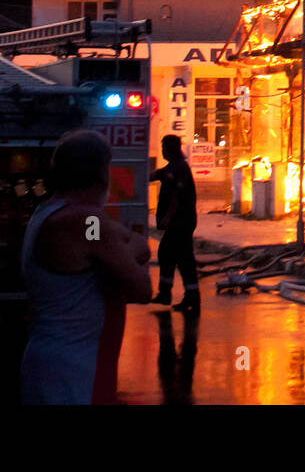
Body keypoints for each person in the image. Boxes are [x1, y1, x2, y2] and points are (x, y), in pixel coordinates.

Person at [21, 129, 152, 404]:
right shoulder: (85, 220)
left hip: (56, 364)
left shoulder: (52, 211)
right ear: (102, 172)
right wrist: (124, 252)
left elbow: (134, 243)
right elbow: (142, 287)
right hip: (75, 373)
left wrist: (120, 250)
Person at [150, 135, 200, 314]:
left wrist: (167, 217)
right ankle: (170, 293)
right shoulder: (172, 167)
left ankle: (188, 297)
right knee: (170, 254)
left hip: (181, 222)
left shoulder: (179, 169)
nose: (162, 151)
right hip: (179, 223)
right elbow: (155, 175)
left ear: (169, 148)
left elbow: (177, 197)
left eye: (163, 147)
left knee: (180, 257)